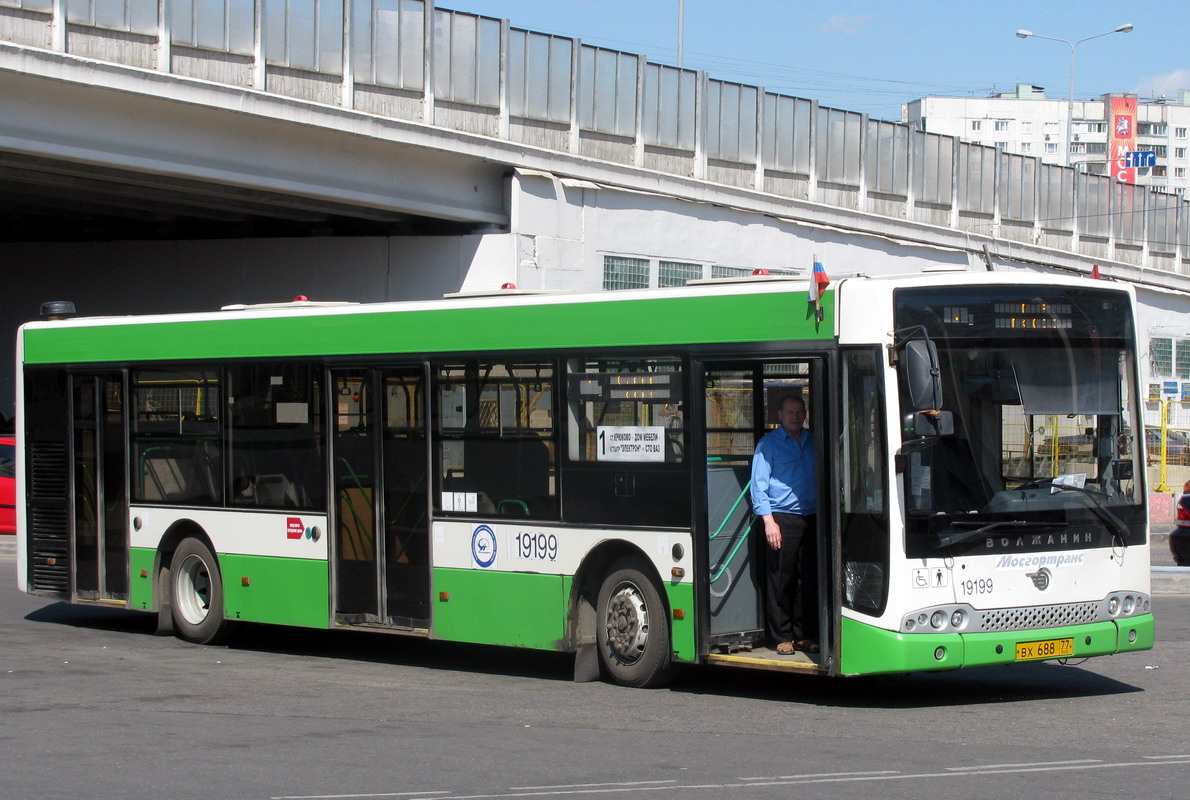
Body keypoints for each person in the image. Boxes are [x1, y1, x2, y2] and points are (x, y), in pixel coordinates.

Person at [750, 394, 819, 655]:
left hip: (811, 516)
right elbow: (759, 486)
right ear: (779, 415)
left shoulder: (814, 440)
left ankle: (804, 635)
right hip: (782, 517)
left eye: (800, 412)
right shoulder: (768, 445)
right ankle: (782, 635)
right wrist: (769, 522)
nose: (796, 416)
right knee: (782, 578)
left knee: (808, 578)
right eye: (790, 412)